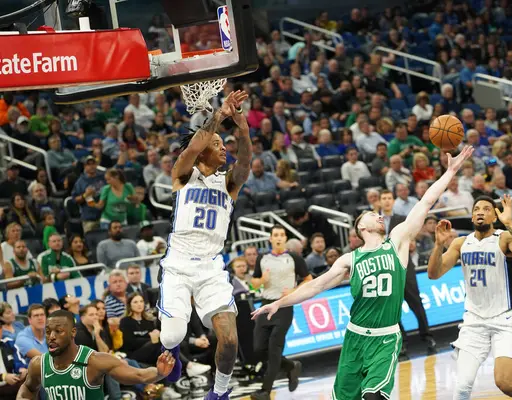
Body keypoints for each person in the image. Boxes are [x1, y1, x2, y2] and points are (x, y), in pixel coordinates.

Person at [252, 146, 474, 400]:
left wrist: (450, 172)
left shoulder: (397, 242)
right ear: (362, 228)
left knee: (373, 397)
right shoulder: (350, 259)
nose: (379, 215)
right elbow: (315, 286)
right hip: (355, 338)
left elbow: (426, 202)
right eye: (372, 215)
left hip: (385, 338)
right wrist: (279, 303)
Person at [157, 90, 250, 400]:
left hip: (211, 266)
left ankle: (219, 393)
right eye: (217, 144)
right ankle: (169, 350)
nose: (224, 148)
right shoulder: (183, 175)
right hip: (179, 264)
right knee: (175, 333)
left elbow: (245, 165)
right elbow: (196, 143)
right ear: (201, 153)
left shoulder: (227, 183)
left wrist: (243, 128)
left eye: (224, 144)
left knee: (230, 339)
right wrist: (219, 116)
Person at [427, 195, 512, 400]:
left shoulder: (504, 238)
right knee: (462, 386)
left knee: (504, 382)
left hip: (504, 319)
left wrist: (509, 223)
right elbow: (434, 273)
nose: (480, 212)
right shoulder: (460, 243)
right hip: (474, 322)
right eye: (476, 209)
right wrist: (439, 245)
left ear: (494, 216)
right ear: (472, 217)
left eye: (486, 209)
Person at [15, 310, 175, 400]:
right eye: (48, 332)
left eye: (58, 331)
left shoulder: (94, 360)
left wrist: (159, 373)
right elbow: (27, 389)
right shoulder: (38, 364)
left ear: (72, 333)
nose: (51, 337)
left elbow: (139, 375)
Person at [250, 225, 312, 400]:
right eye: (275, 235)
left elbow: (308, 279)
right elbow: (253, 283)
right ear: (270, 239)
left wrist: (294, 291)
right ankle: (291, 366)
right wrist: (262, 280)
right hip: (265, 305)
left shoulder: (294, 258)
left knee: (274, 349)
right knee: (259, 349)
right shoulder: (262, 258)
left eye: (281, 235)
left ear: (285, 239)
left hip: (284, 306)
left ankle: (265, 391)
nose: (278, 238)